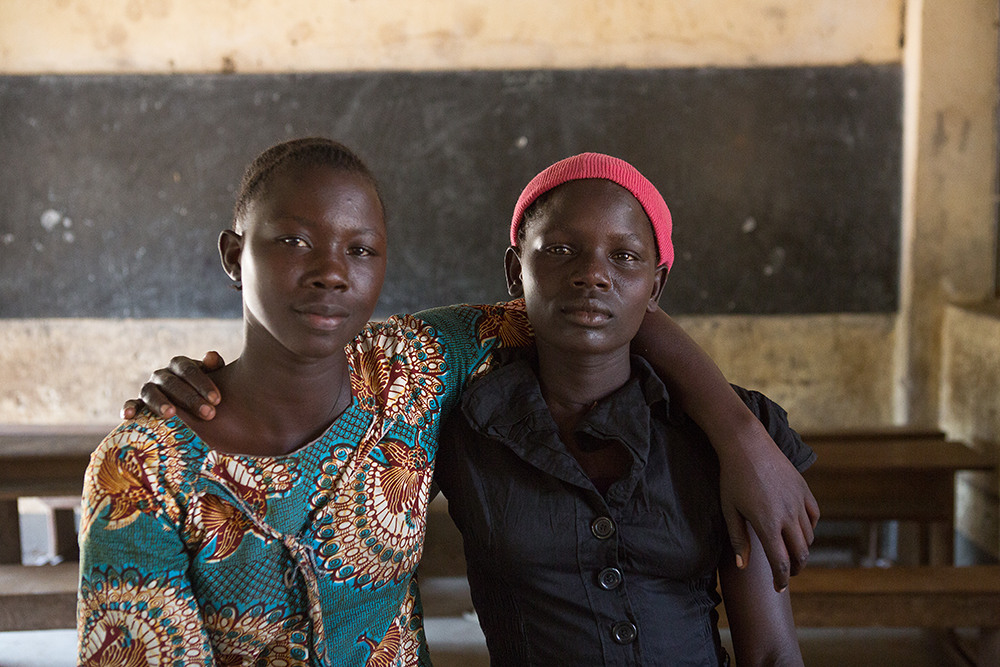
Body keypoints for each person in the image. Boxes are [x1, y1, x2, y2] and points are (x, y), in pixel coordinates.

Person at [84, 137, 815, 666]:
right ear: (233, 255)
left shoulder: (412, 374)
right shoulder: (148, 468)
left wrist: (740, 431)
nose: (331, 272)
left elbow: (603, 311)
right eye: (293, 241)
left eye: (360, 249)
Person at [434, 153, 811, 665]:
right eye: (562, 249)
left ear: (655, 288)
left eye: (625, 257)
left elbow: (769, 653)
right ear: (514, 269)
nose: (592, 275)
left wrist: (742, 436)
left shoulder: (725, 439)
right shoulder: (465, 427)